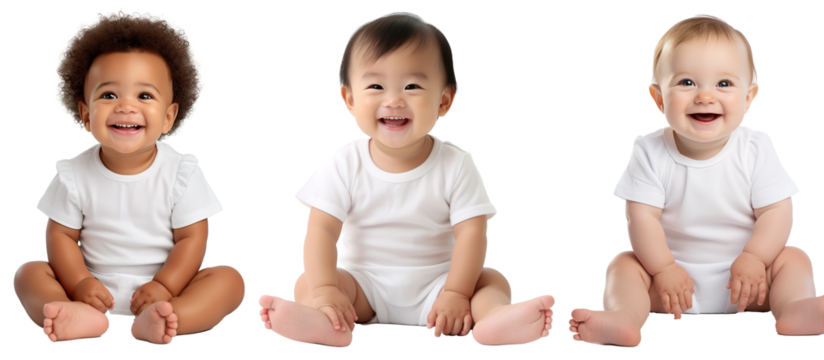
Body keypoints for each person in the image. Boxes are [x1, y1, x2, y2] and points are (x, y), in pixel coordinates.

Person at [256, 10, 556, 347]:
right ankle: (327, 321)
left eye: (412, 85)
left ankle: (493, 321)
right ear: (349, 98)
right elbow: (321, 230)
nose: (394, 99)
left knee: (492, 281)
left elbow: (473, 233)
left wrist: (457, 292)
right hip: (362, 287)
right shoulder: (344, 163)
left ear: (444, 99)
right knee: (308, 283)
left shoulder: (457, 164)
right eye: (376, 85)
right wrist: (327, 290)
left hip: (441, 287)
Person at [567, 14, 824, 347]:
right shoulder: (648, 149)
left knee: (794, 258)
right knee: (623, 265)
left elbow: (777, 212)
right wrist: (663, 268)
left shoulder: (757, 147)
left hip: (750, 281)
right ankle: (625, 319)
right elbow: (640, 218)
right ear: (657, 98)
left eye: (724, 84)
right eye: (686, 82)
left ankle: (791, 309)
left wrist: (756, 258)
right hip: (671, 285)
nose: (704, 96)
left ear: (749, 96)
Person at [12, 5, 246, 345]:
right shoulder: (72, 173)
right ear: (85, 113)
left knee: (230, 280)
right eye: (108, 94)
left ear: (168, 117)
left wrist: (165, 286)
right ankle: (75, 314)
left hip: (168, 289)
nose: (126, 106)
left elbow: (192, 240)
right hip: (88, 287)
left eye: (144, 95)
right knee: (28, 273)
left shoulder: (182, 172)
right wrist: (79, 283)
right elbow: (60, 237)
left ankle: (168, 319)